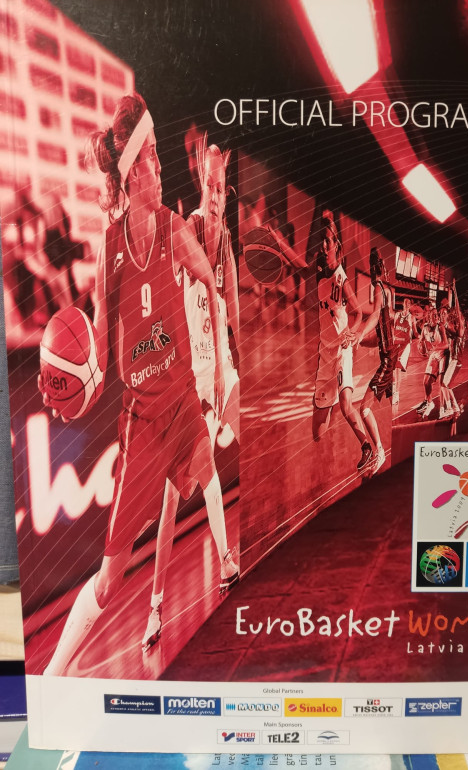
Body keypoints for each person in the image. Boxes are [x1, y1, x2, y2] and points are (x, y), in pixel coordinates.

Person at [40, 93, 225, 676]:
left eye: (160, 156)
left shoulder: (174, 229)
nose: (161, 167)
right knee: (109, 577)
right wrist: (76, 390)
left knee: (208, 476)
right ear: (131, 174)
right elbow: (98, 343)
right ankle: (53, 676)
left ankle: (225, 569)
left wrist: (220, 369)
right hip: (142, 422)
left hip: (183, 403)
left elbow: (211, 283)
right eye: (151, 158)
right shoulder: (111, 250)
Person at [141, 135, 239, 651]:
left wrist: (230, 362)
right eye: (210, 185)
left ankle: (229, 559)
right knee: (171, 500)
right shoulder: (188, 229)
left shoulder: (226, 239)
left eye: (222, 187)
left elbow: (229, 312)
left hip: (218, 371)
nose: (216, 194)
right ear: (200, 182)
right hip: (189, 376)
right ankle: (155, 607)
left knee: (223, 455)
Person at [312, 215, 372, 472]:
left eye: (328, 241)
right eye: (322, 241)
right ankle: (330, 400)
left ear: (337, 245)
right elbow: (298, 265)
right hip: (324, 354)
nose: (324, 246)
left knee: (347, 405)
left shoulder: (341, 277)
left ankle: (367, 447)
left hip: (341, 352)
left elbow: (358, 313)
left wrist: (353, 333)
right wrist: (279, 245)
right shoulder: (319, 270)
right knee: (317, 434)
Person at [354, 248, 396, 474]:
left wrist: (360, 332)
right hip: (389, 355)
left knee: (363, 408)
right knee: (378, 406)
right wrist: (360, 341)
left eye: (370, 267)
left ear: (373, 269)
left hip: (389, 359)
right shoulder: (386, 290)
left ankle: (379, 451)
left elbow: (377, 313)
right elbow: (379, 337)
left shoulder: (379, 288)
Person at [416, 307, 449, 418]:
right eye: (434, 314)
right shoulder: (425, 327)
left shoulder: (440, 327)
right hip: (434, 355)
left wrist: (434, 347)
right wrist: (421, 349)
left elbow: (446, 344)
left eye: (437, 315)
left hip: (443, 354)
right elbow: (421, 342)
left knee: (441, 383)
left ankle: (444, 407)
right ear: (429, 316)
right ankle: (429, 402)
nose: (436, 316)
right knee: (426, 381)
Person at [392, 297, 418, 406]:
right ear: (403, 304)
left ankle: (396, 394)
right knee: (393, 369)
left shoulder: (412, 317)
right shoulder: (397, 315)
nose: (407, 304)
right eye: (405, 302)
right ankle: (394, 391)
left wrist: (421, 337)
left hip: (405, 345)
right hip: (396, 343)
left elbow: (415, 332)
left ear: (410, 305)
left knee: (397, 367)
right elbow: (393, 328)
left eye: (409, 303)